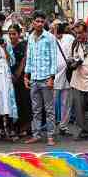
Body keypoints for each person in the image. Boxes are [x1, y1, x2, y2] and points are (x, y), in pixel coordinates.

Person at [24, 11, 58, 145]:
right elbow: (29, 58)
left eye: (42, 22)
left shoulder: (50, 37)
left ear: (44, 23)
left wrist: (52, 78)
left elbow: (54, 59)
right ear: (33, 22)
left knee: (49, 110)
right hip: (34, 79)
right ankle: (36, 135)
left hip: (46, 78)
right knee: (36, 109)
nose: (39, 24)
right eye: (37, 21)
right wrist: (26, 76)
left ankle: (50, 136)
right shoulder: (30, 37)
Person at [52, 21, 74, 137]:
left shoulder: (69, 38)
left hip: (67, 74)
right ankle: (51, 126)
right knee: (52, 102)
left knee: (67, 103)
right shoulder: (50, 39)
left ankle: (63, 126)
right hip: (54, 76)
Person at [9, 24, 30, 137]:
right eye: (10, 34)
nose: (12, 36)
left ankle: (25, 127)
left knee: (24, 102)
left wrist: (18, 74)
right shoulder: (7, 46)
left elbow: (24, 60)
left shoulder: (23, 45)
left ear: (19, 34)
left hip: (22, 78)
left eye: (14, 34)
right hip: (10, 78)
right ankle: (15, 126)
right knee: (15, 102)